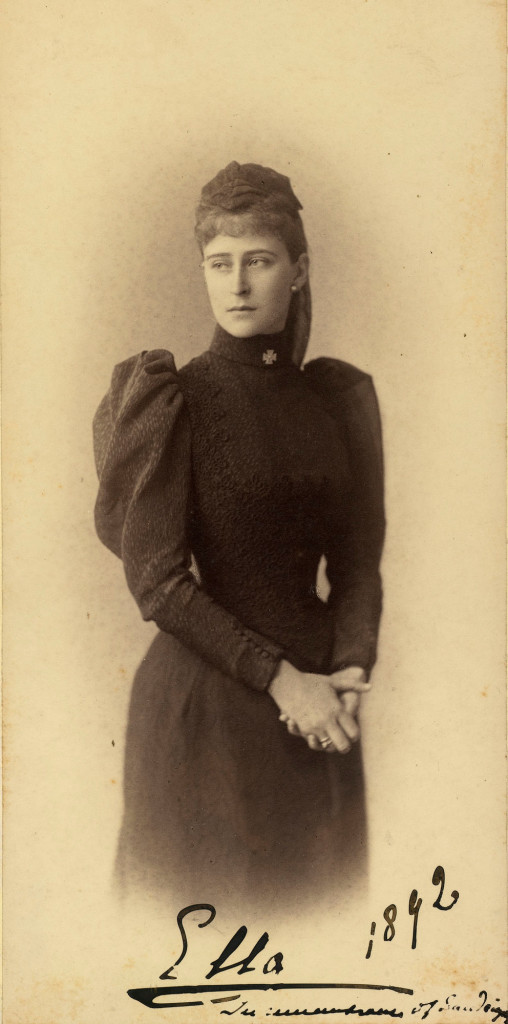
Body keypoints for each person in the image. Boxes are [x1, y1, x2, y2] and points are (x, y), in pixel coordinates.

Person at [93, 161, 385, 915]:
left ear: (299, 268)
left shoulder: (335, 399)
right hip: (206, 718)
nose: (239, 284)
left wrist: (348, 668)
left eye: (259, 260)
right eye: (219, 265)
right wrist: (287, 682)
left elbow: (357, 557)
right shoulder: (176, 400)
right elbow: (158, 582)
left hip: (320, 716)